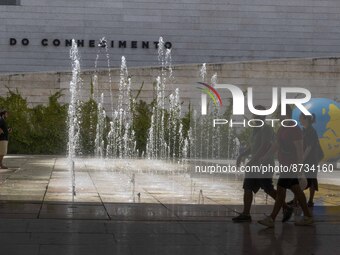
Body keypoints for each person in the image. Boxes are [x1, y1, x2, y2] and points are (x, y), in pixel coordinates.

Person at [232, 105, 293, 223]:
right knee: (248, 187)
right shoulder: (256, 129)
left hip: (264, 164)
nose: (254, 116)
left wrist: (252, 161)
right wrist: (242, 155)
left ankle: (286, 207)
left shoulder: (267, 129)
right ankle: (246, 214)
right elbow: (253, 147)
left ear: (262, 115)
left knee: (268, 188)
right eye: (254, 114)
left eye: (256, 114)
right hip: (255, 165)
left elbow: (264, 146)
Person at [258, 105, 313, 227]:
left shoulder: (294, 129)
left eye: (280, 114)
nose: (278, 117)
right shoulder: (282, 128)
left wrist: (300, 169)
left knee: (281, 189)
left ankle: (272, 218)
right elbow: (276, 145)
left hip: (290, 166)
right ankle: (308, 216)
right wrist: (265, 156)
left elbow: (299, 149)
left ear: (287, 114)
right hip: (285, 165)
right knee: (297, 190)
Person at [300, 113, 323, 207]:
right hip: (307, 159)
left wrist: (301, 159)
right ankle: (297, 199)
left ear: (306, 120)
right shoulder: (304, 130)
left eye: (301, 118)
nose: (300, 120)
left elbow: (309, 147)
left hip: (311, 160)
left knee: (311, 178)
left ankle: (310, 200)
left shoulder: (311, 131)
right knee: (302, 179)